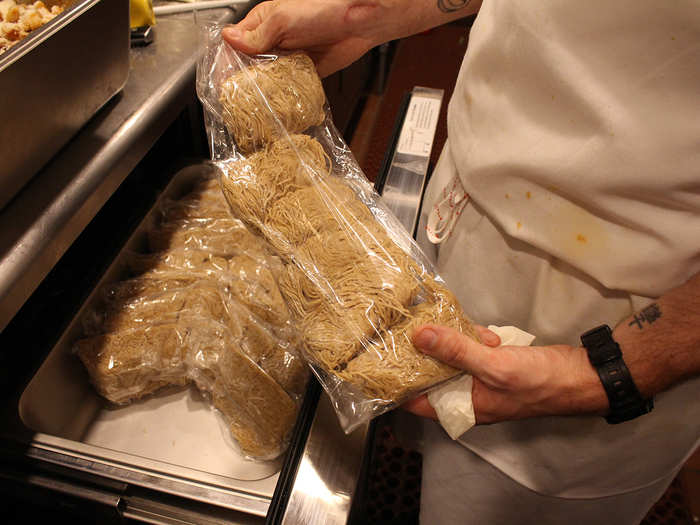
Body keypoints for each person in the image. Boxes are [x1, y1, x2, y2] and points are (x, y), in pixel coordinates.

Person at [223, 1, 700, 523]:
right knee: (428, 438)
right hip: (464, 205)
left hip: (615, 310)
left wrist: (604, 373)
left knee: (489, 500)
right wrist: (376, 14)